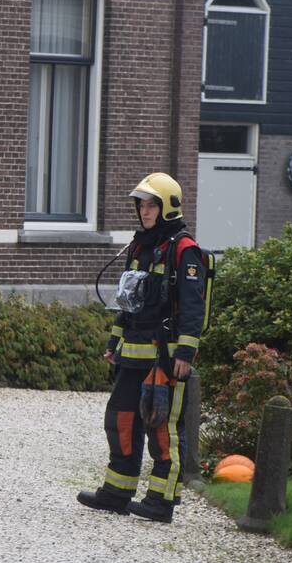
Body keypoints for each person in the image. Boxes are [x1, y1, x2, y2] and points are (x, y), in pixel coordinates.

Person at [77, 172, 205, 523]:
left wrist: (185, 353)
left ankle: (161, 502)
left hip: (164, 356)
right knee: (119, 420)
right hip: (132, 353)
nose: (145, 212)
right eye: (142, 205)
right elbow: (127, 301)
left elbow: (194, 308)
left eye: (151, 205)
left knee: (161, 427)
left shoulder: (184, 250)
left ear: (168, 207)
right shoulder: (139, 247)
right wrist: (113, 340)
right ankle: (116, 493)